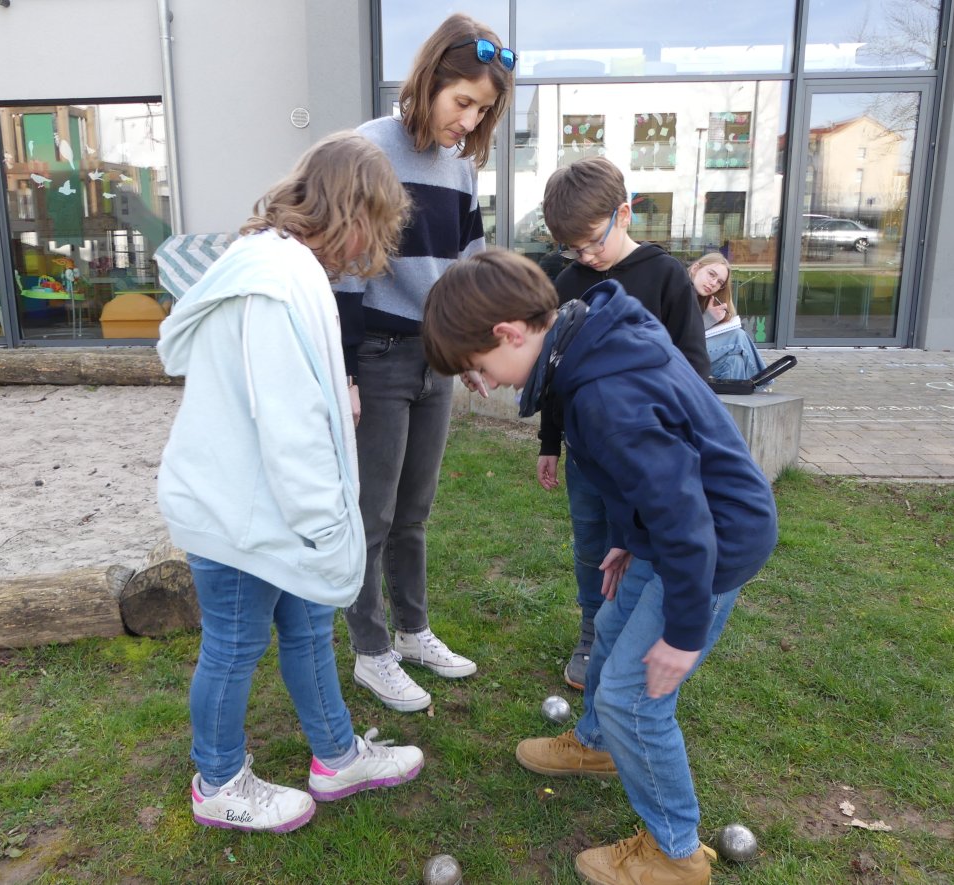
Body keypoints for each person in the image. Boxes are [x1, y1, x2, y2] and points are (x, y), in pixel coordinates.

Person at [420, 249, 778, 885]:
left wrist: (682, 633)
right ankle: (595, 747)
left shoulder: (604, 393)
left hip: (712, 542)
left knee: (634, 697)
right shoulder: (590, 339)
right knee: (610, 631)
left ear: (508, 333)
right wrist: (628, 537)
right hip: (670, 534)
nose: (486, 385)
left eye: (477, 369)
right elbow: (652, 474)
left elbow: (685, 513)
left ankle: (676, 853)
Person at [156, 132, 423, 834]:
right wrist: (327, 524)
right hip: (241, 511)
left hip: (261, 502)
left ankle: (336, 754)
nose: (375, 247)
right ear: (351, 211)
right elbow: (290, 420)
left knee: (306, 625)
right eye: (378, 225)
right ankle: (217, 780)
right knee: (236, 641)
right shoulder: (275, 285)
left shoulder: (281, 267)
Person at [334, 13, 515, 712]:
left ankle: (412, 630)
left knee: (414, 512)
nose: (468, 122)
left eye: (484, 111)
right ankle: (370, 651)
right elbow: (347, 274)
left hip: (434, 360)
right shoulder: (366, 151)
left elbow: (467, 267)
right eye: (462, 102)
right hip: (376, 359)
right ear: (429, 81)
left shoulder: (462, 167)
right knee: (371, 515)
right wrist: (346, 372)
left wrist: (473, 349)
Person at [538, 156, 710, 692]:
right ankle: (592, 633)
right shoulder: (570, 282)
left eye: (592, 240)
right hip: (589, 456)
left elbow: (693, 369)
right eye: (573, 247)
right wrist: (550, 442)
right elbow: (555, 371)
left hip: (648, 458)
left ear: (625, 213)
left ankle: (631, 636)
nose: (585, 255)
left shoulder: (666, 277)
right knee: (592, 545)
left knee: (638, 545)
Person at [688, 251, 767, 381]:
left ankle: (732, 401)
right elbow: (680, 335)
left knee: (734, 361)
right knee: (737, 337)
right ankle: (763, 382)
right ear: (696, 268)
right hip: (675, 356)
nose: (713, 283)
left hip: (692, 355)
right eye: (711, 274)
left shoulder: (701, 299)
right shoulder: (679, 290)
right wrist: (708, 319)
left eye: (719, 282)